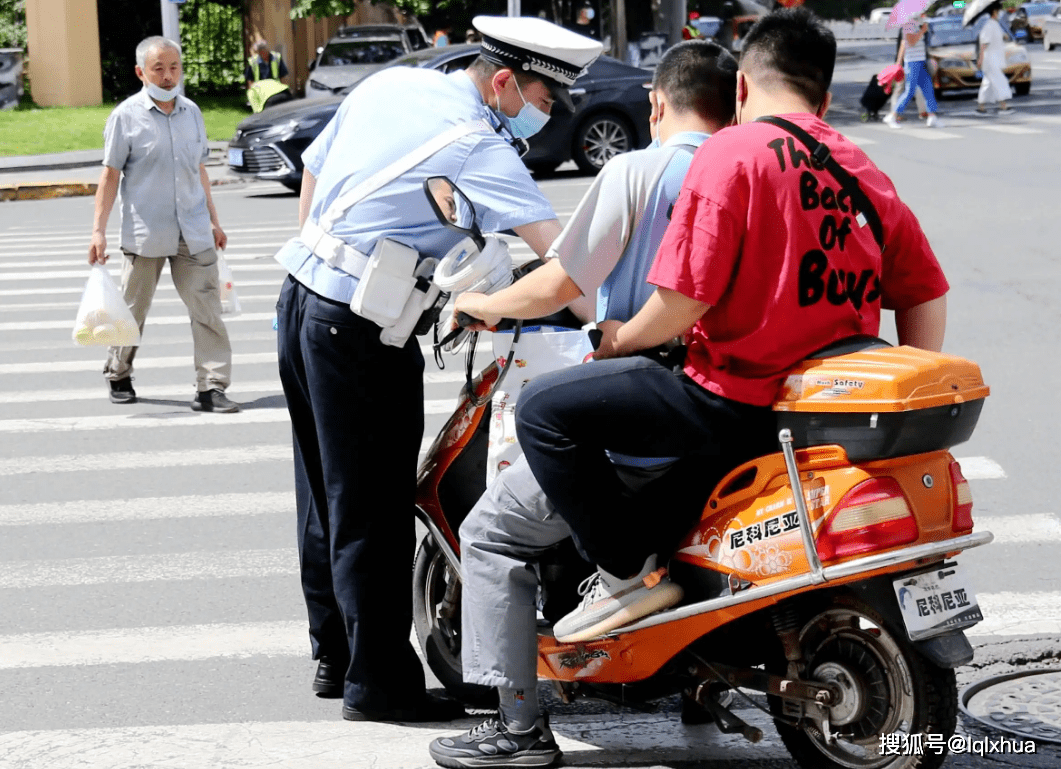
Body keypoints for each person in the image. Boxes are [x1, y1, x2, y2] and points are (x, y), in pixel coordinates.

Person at [515, 7, 949, 646]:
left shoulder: (731, 153)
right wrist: (901, 384)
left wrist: (618, 340)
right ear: (824, 98)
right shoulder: (862, 169)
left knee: (542, 409)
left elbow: (683, 301)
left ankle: (624, 578)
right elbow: (925, 294)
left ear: (741, 88)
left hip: (732, 402)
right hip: (820, 413)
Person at [272, 15, 601, 725]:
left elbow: (315, 173)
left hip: (301, 300)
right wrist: (616, 331)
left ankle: (334, 654)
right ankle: (378, 685)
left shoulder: (392, 83)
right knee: (374, 505)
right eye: (544, 100)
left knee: (322, 493)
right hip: (359, 329)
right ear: (506, 81)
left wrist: (323, 262)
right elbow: (563, 265)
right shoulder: (478, 145)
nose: (544, 118)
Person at [428, 39, 740, 769]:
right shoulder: (754, 172)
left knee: (492, 533)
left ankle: (517, 728)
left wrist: (483, 303)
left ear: (656, 102)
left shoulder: (638, 168)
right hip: (739, 409)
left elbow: (560, 282)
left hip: (651, 407)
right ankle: (687, 678)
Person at [88, 36, 238, 414]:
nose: (169, 76)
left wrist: (215, 221)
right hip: (146, 232)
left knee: (207, 310)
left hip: (194, 230)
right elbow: (110, 176)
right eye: (159, 69)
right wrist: (98, 231)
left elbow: (198, 171)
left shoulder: (192, 113)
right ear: (141, 72)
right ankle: (119, 371)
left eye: (174, 68)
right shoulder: (125, 116)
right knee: (131, 310)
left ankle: (211, 387)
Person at [883, 15, 942, 128]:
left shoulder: (917, 22)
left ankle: (932, 116)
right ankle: (892, 116)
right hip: (912, 62)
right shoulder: (908, 24)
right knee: (909, 91)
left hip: (920, 60)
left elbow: (904, 43)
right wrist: (922, 31)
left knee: (928, 89)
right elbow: (910, 42)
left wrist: (923, 28)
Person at [976, 3, 1014, 114]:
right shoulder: (989, 25)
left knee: (987, 84)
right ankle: (1003, 106)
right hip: (990, 60)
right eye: (998, 11)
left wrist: (1004, 36)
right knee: (1000, 81)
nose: (1000, 13)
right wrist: (981, 58)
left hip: (995, 59)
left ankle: (981, 106)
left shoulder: (995, 24)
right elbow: (984, 44)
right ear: (994, 12)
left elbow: (999, 36)